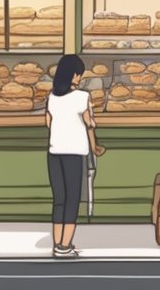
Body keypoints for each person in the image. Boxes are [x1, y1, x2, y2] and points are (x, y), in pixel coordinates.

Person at [45, 54, 105, 259]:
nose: (79, 78)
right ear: (73, 74)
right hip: (74, 152)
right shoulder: (82, 97)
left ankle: (56, 244)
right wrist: (95, 146)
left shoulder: (51, 97)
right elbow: (90, 125)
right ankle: (65, 246)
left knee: (59, 199)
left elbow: (48, 123)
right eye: (79, 74)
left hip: (54, 152)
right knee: (72, 199)